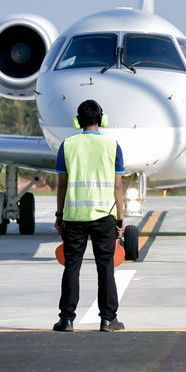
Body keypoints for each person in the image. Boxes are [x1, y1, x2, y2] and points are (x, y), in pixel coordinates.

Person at [52, 98, 127, 332]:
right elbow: (117, 187)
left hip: (74, 217)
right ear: (102, 120)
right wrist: (121, 218)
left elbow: (61, 186)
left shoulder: (67, 145)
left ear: (78, 121)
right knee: (105, 267)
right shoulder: (113, 146)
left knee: (72, 267)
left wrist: (59, 215)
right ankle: (108, 319)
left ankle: (66, 319)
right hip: (104, 216)